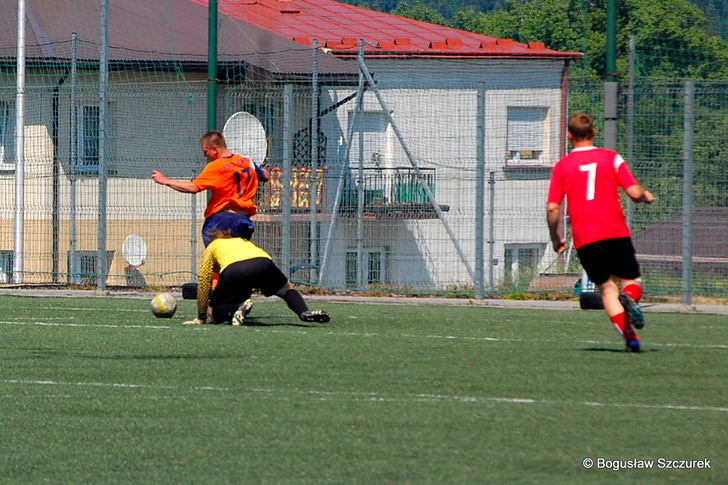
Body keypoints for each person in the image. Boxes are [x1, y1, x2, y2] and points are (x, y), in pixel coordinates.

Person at [547, 113, 654, 352]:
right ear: (594, 133)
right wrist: (646, 196)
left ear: (569, 136)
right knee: (631, 282)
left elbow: (553, 207)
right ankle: (631, 298)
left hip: (586, 238)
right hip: (616, 232)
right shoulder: (612, 158)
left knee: (607, 288)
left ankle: (631, 338)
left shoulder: (562, 166)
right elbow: (635, 193)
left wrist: (556, 238)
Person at [183, 228, 330, 326]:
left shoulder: (212, 246)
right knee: (286, 289)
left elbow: (203, 281)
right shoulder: (242, 241)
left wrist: (201, 316)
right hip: (263, 263)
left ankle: (235, 310)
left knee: (212, 313)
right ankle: (303, 312)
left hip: (233, 270)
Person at [152, 131, 269, 246]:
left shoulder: (216, 166)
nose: (205, 155)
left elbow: (194, 187)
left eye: (205, 152)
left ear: (215, 149)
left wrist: (166, 181)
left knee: (216, 260)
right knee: (238, 260)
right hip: (243, 221)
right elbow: (265, 176)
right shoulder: (247, 161)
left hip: (222, 221)